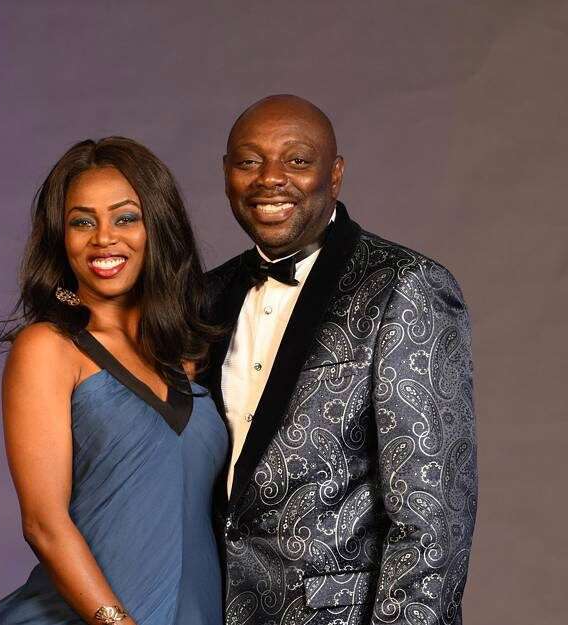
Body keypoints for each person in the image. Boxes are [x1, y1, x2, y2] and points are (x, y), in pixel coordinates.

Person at [198, 95, 478, 624]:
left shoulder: (404, 286)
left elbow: (433, 520)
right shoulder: (205, 296)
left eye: (297, 160)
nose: (270, 178)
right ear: (227, 174)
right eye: (249, 161)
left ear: (335, 175)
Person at [0, 137, 227, 625]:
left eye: (125, 218)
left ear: (157, 227)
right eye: (82, 222)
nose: (104, 238)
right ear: (60, 238)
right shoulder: (49, 348)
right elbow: (43, 524)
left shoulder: (189, 354)